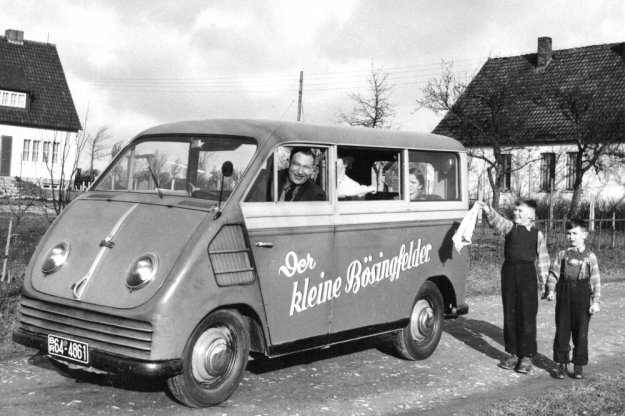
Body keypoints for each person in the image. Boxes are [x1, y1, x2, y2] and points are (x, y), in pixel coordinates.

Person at [476, 199, 550, 374]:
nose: (515, 212)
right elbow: (497, 221)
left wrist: (545, 282)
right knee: (510, 314)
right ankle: (513, 353)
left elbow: (543, 259)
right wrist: (487, 209)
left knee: (527, 315)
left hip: (528, 276)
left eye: (520, 210)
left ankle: (526, 356)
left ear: (531, 216)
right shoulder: (509, 228)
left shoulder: (537, 235)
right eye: (515, 209)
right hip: (509, 273)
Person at [546, 219, 601, 380]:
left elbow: (595, 280)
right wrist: (551, 290)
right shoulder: (562, 255)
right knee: (562, 330)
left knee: (580, 332)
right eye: (568, 233)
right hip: (564, 295)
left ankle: (578, 364)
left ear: (584, 235)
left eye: (575, 233)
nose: (571, 237)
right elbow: (554, 274)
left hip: (582, 296)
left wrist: (596, 301)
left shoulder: (590, 256)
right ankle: (561, 364)